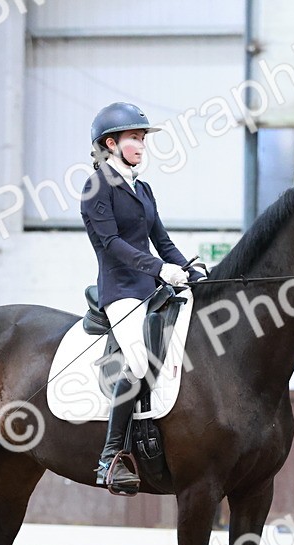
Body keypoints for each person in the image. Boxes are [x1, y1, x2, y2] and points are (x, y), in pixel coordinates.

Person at [80, 101, 205, 492]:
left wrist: (189, 270)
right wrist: (157, 269)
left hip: (152, 288)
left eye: (142, 138)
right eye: (136, 137)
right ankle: (110, 457)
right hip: (120, 291)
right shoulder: (96, 186)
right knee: (137, 363)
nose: (142, 145)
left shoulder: (143, 188)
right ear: (111, 143)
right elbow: (112, 243)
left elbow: (161, 240)